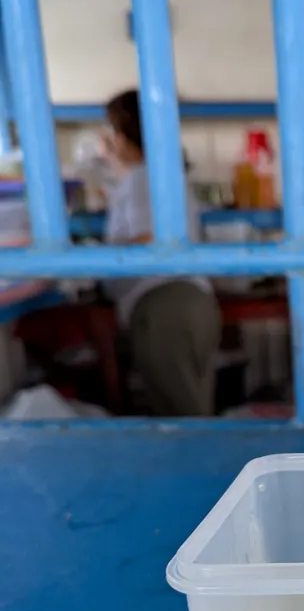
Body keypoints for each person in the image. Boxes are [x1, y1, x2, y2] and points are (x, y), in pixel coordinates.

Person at [101, 89, 220, 416]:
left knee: (180, 419)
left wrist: (97, 261)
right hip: (186, 303)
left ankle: (202, 469)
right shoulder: (165, 176)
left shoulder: (142, 178)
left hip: (164, 308)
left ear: (123, 137)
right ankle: (207, 467)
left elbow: (150, 237)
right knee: (191, 411)